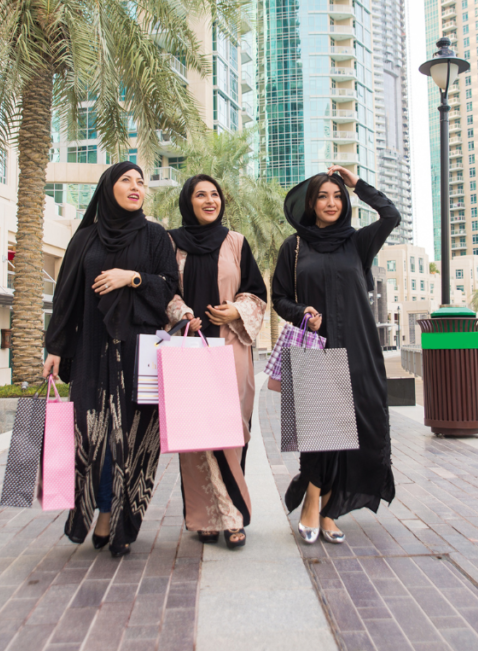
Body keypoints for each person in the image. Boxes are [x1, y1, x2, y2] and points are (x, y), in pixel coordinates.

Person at [43, 162, 178, 557]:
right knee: (91, 436)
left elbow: (169, 286)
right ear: (108, 188)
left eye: (141, 182)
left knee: (130, 442)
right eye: (126, 180)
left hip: (138, 355)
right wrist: (54, 347)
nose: (136, 187)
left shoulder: (155, 236)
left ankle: (115, 518)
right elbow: (65, 298)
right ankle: (92, 510)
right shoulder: (84, 239)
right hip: (90, 353)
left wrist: (130, 277)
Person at [271, 165, 400, 544]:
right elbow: (279, 297)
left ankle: (331, 510)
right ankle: (312, 502)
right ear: (310, 204)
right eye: (323, 196)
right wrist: (302, 313)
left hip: (360, 348)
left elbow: (391, 214)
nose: (331, 202)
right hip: (315, 346)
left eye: (337, 196)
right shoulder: (294, 247)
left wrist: (357, 183)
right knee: (318, 430)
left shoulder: (358, 242)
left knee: (357, 430)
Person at [165, 175, 268, 549]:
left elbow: (257, 292)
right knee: (195, 436)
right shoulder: (172, 243)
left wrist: (236, 310)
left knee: (231, 432)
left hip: (230, 347)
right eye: (200, 195)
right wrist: (181, 312)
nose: (210, 201)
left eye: (214, 195)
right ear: (187, 201)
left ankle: (233, 513)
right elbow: (165, 290)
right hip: (190, 347)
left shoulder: (236, 242)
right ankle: (206, 517)